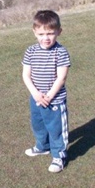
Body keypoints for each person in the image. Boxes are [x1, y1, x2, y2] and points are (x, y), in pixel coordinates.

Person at [22, 10, 71, 173]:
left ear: (59, 31)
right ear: (34, 32)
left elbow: (61, 78)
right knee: (38, 125)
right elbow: (26, 75)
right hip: (36, 98)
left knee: (56, 129)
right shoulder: (30, 51)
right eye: (41, 34)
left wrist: (49, 97)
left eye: (50, 33)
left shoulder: (61, 52)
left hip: (54, 100)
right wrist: (36, 94)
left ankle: (59, 156)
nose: (46, 38)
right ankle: (42, 147)